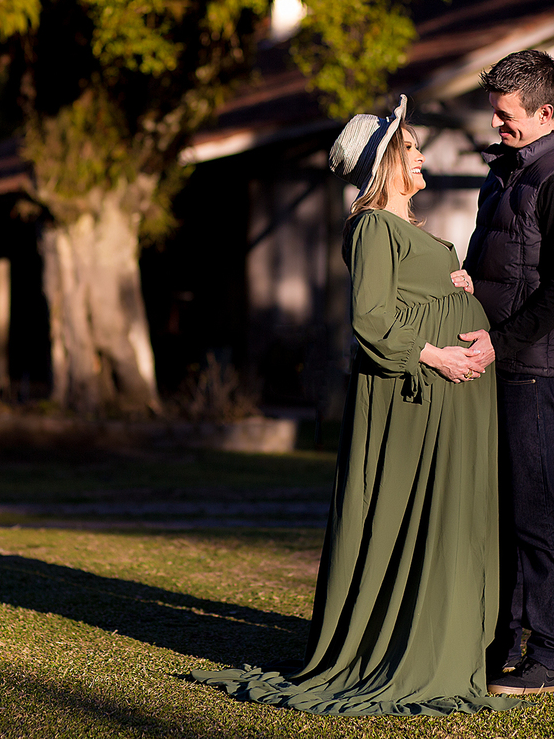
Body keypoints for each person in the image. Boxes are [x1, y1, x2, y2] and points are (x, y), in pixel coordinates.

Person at [192, 96, 523, 715]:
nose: (422, 154)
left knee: (450, 515)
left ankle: (448, 642)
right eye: (413, 147)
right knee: (416, 511)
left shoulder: (409, 229)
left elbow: (412, 294)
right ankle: (409, 646)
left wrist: (465, 287)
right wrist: (439, 356)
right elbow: (369, 319)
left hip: (451, 397)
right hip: (418, 390)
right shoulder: (374, 227)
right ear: (388, 163)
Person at [457, 50, 554, 695]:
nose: (497, 125)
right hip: (495, 363)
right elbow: (497, 263)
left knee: (536, 516)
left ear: (546, 111)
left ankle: (552, 657)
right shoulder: (508, 169)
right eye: (494, 113)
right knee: (498, 514)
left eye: (507, 115)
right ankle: (496, 646)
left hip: (535, 371)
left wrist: (498, 343)